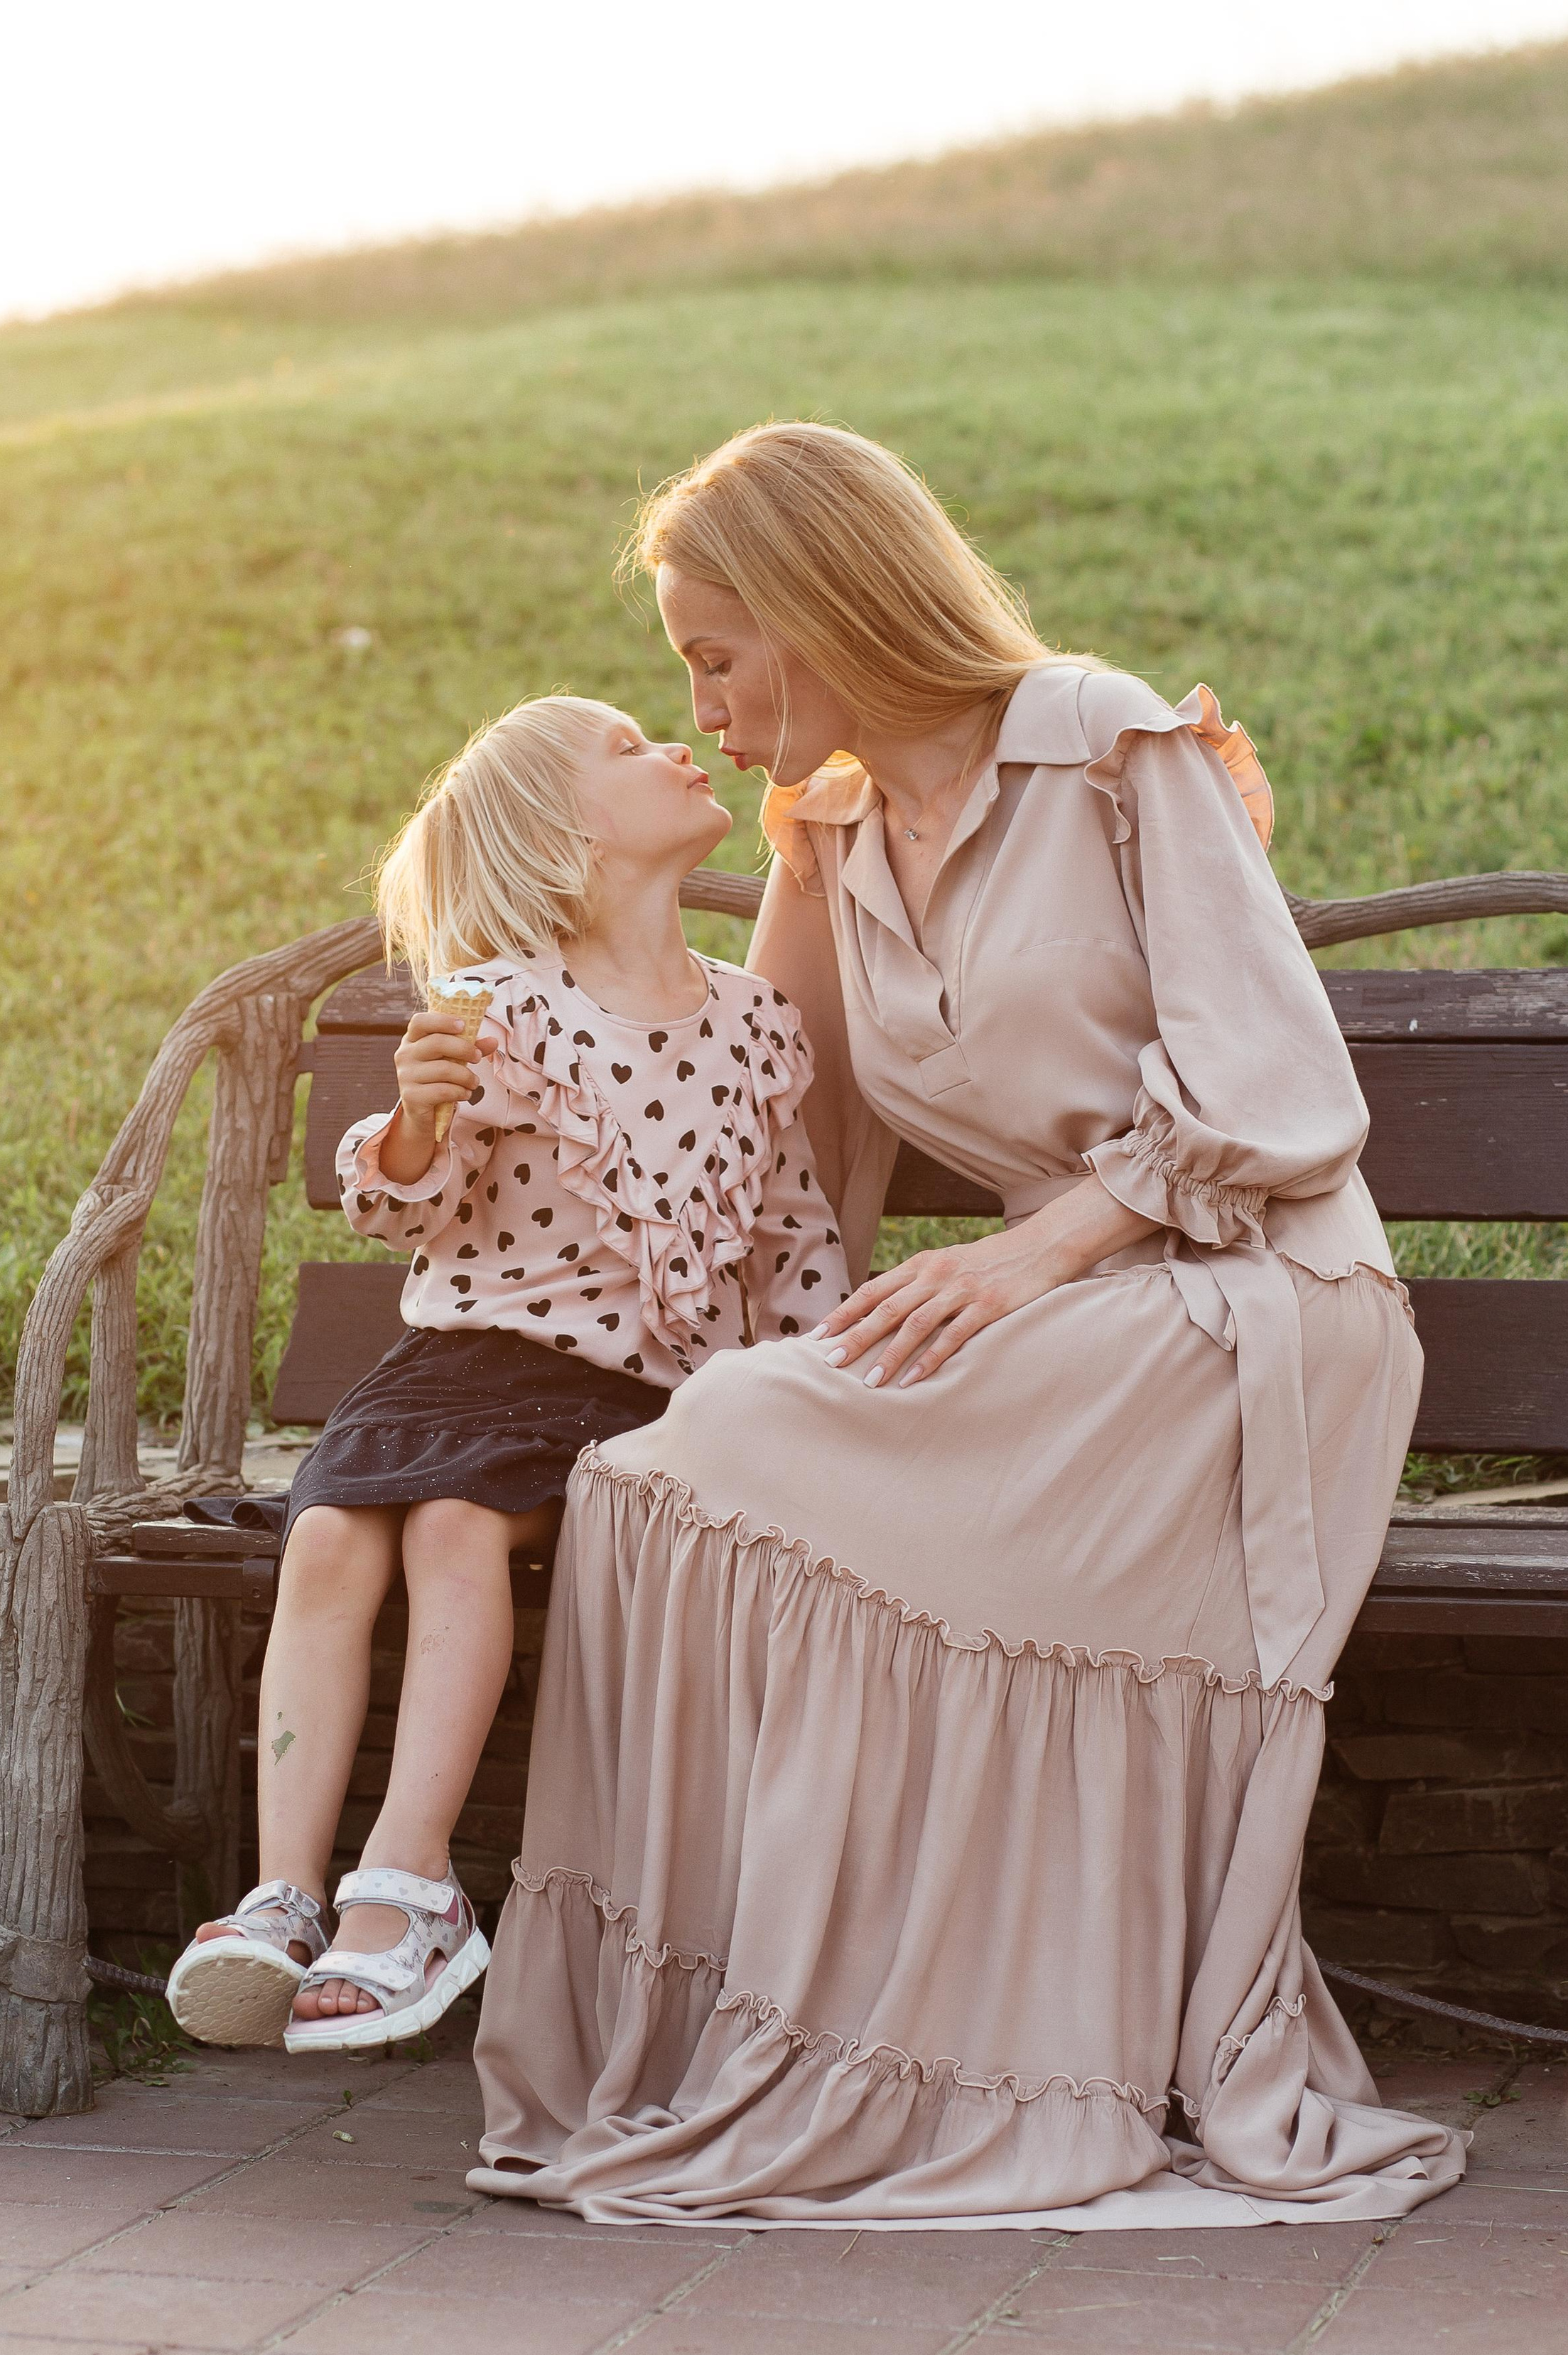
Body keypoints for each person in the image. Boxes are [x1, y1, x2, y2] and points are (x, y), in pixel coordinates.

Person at [467, 425, 1466, 2228]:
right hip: (1060, 1317)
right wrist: (505, 1105)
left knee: (757, 1449)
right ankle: (774, 2033)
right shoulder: (827, 832)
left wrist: (1030, 1260)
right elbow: (779, 1134)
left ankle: (960, 2055)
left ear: (823, 605)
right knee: (671, 1467)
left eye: (715, 653)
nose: (697, 704)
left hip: (1249, 1294)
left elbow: (1282, 1086)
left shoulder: (1104, 743)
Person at [163, 693, 848, 2054]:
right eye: (626, 747)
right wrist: (417, 1117)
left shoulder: (758, 1025)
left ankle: (409, 1881)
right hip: (452, 1366)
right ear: (561, 836)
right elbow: (408, 1206)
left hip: (627, 1396)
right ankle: (282, 1897)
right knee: (328, 1538)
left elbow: (793, 1236)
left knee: (454, 1523)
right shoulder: (501, 1008)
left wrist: (830, 1396)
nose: (675, 746)